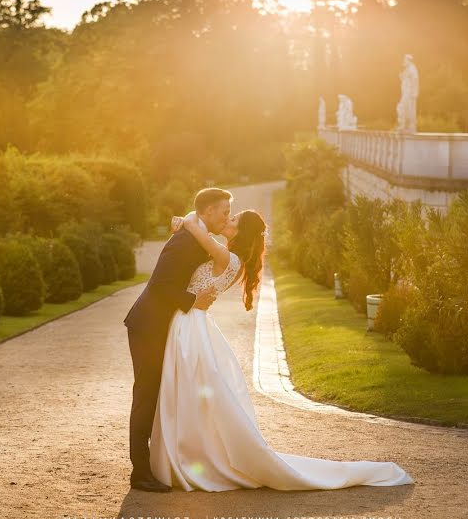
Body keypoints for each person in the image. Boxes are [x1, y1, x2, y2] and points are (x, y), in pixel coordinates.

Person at [148, 210, 414, 492]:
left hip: (192, 326)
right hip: (192, 324)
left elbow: (194, 224)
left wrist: (184, 219)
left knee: (189, 390)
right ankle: (187, 452)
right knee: (190, 392)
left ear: (242, 233)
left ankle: (190, 457)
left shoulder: (228, 258)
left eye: (234, 220)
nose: (227, 221)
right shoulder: (227, 255)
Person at [123, 188, 233, 493]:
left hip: (162, 327)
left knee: (160, 394)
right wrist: (193, 300)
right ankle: (140, 472)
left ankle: (157, 464)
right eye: (224, 211)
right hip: (148, 326)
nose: (226, 217)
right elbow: (159, 285)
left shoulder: (194, 236)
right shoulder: (185, 241)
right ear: (208, 212)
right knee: (146, 395)